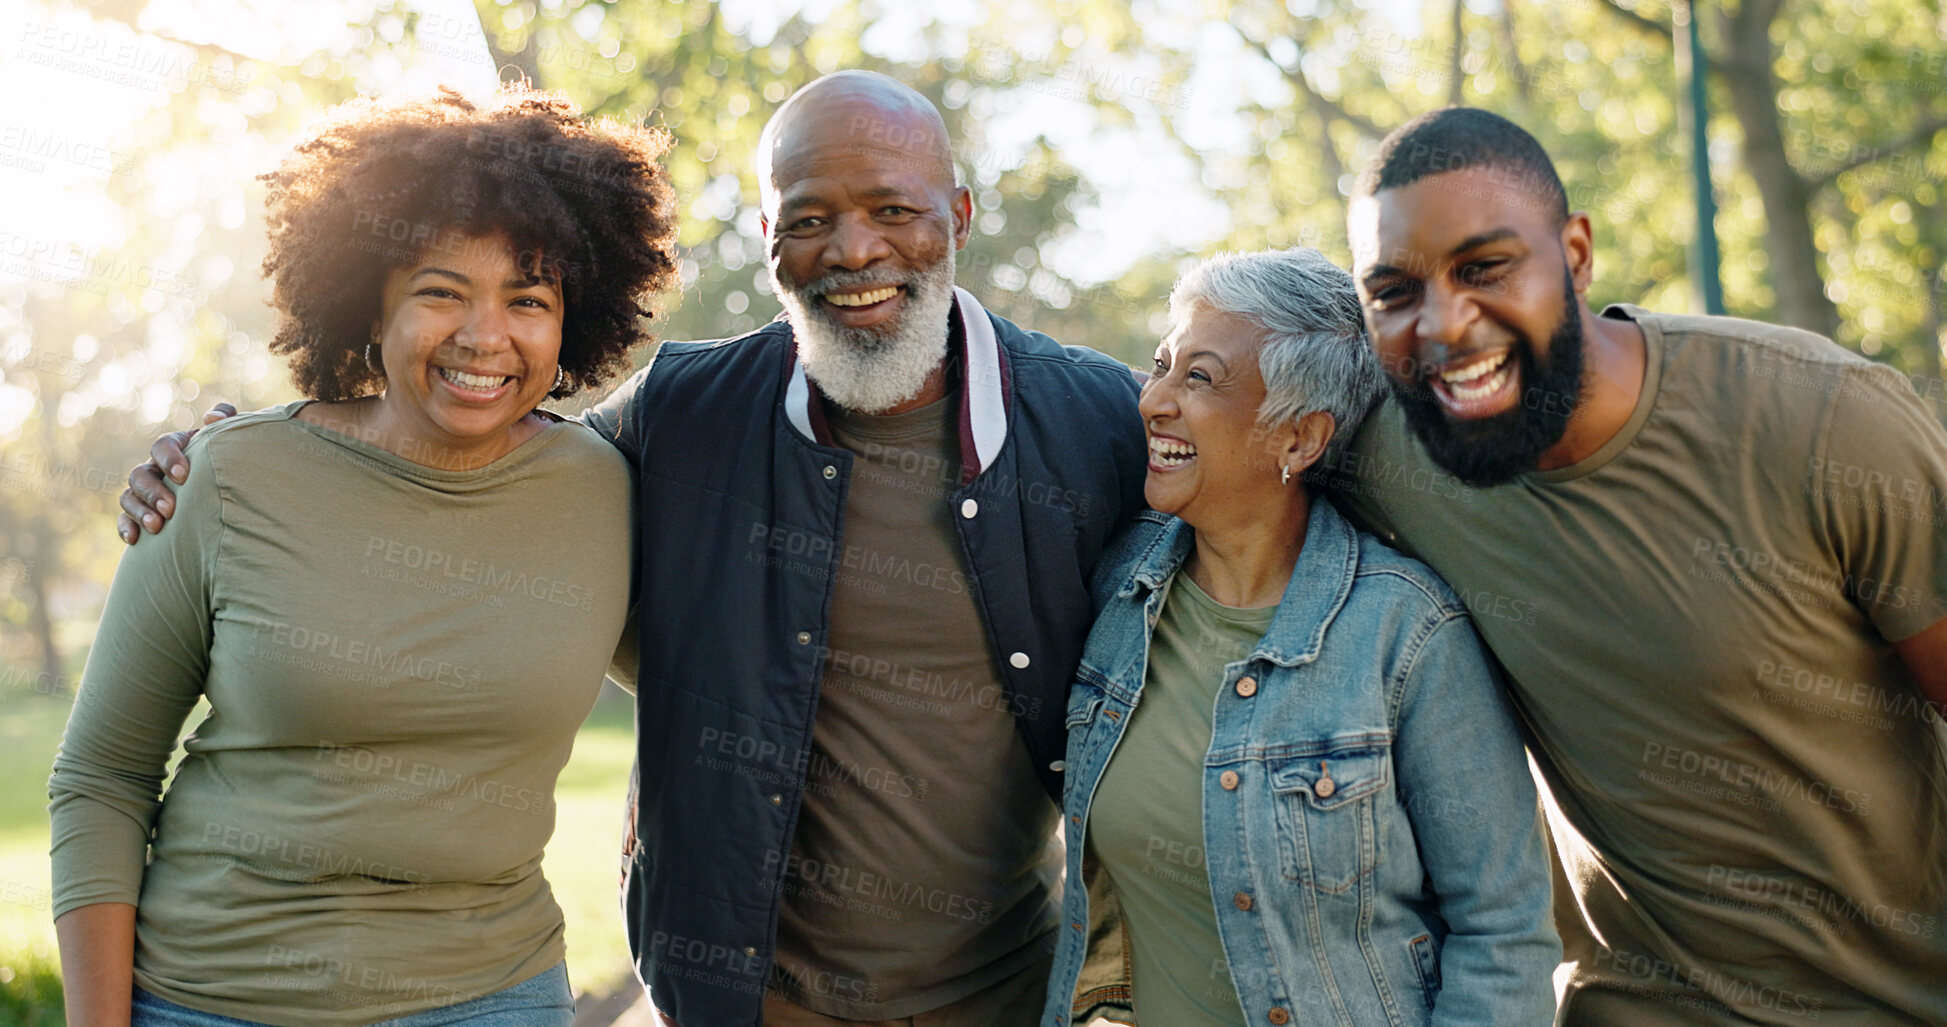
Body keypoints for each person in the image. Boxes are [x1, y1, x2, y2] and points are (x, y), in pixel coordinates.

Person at [115, 71, 1149, 1026]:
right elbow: (469, 440)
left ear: (958, 217)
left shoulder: (1094, 424)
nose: (853, 251)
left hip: (1002, 1000)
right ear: (767, 238)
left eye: (893, 210)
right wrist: (244, 449)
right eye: (810, 220)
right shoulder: (683, 412)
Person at [52, 86, 679, 1026]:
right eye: (440, 291)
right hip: (212, 999)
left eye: (527, 298)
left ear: (570, 320)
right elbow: (101, 775)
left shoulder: (607, 488)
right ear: (368, 304)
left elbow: (714, 678)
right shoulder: (224, 478)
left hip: (495, 995)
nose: (485, 336)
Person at [1334, 106, 1947, 1024]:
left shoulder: (1823, 420)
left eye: (1484, 268)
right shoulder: (1385, 457)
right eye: (1393, 292)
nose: (1444, 325)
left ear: (1575, 254)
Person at [1043, 248, 1559, 1027]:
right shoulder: (1118, 589)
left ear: (1299, 438)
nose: (1152, 400)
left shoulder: (1405, 633)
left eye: (1200, 378)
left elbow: (1503, 929)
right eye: (1159, 365)